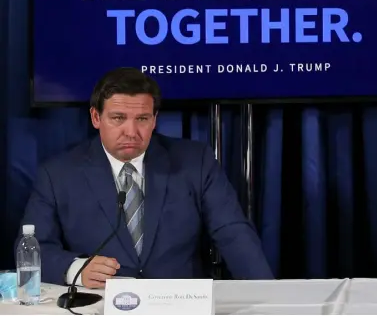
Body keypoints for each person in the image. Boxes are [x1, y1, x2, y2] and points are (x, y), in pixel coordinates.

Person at [18, 67, 273, 287]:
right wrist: (75, 269)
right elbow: (33, 246)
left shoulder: (195, 162)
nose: (131, 131)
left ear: (154, 120)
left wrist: (268, 298)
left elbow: (233, 233)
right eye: (118, 118)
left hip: (181, 304)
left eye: (142, 119)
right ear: (96, 117)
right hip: (100, 304)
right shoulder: (58, 174)